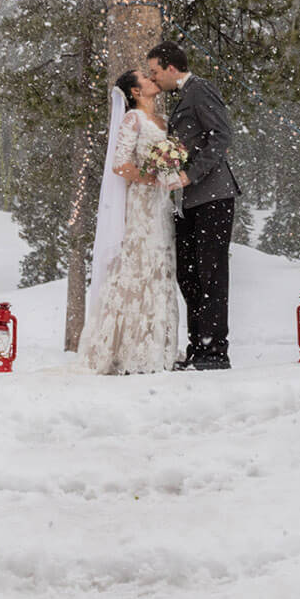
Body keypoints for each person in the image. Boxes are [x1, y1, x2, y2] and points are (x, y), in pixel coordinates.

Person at [77, 68, 181, 375]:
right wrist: (150, 175)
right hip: (142, 203)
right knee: (139, 265)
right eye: (145, 79)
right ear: (135, 92)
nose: (152, 80)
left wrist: (171, 168)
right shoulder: (132, 119)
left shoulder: (162, 121)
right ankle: (126, 349)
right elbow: (121, 165)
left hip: (162, 204)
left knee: (160, 266)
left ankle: (156, 348)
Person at [146, 41, 240, 370]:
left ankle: (215, 352)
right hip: (187, 202)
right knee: (188, 273)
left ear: (172, 68)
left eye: (155, 71)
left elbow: (222, 135)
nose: (153, 78)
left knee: (211, 273)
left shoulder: (201, 89)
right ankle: (198, 347)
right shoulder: (182, 99)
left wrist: (189, 174)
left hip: (213, 196)